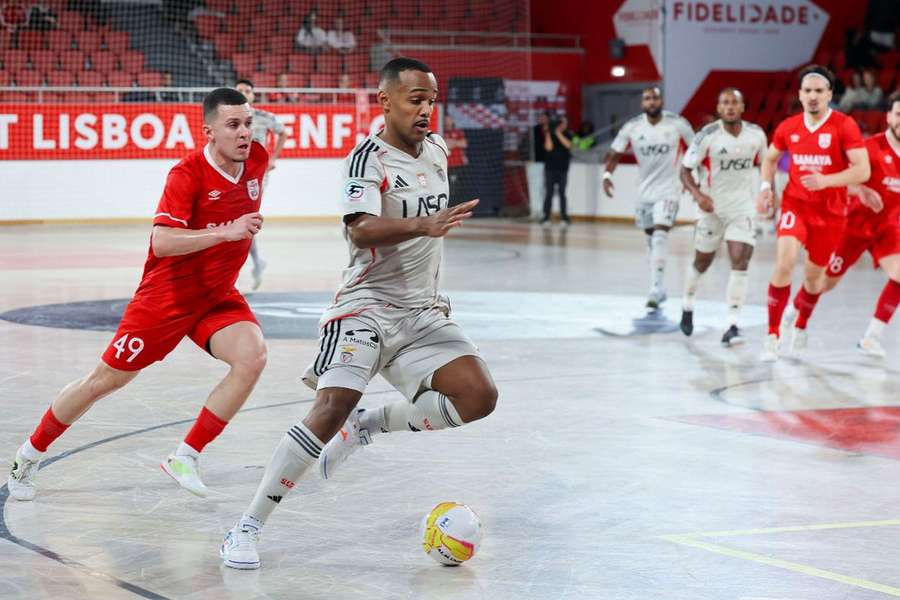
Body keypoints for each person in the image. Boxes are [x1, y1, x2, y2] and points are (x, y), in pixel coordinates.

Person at [220, 57, 497, 570]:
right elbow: (360, 228)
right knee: (332, 406)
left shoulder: (435, 150)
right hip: (365, 307)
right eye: (416, 99)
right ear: (385, 101)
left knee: (479, 396)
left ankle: (370, 425)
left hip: (422, 311)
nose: (426, 110)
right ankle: (247, 526)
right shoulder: (368, 158)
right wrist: (424, 225)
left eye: (432, 99)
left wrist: (429, 247)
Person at [7, 88, 269, 501]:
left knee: (252, 357)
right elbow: (162, 241)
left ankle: (186, 455)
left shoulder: (257, 159)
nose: (244, 134)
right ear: (208, 132)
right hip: (168, 298)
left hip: (216, 295)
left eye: (248, 123)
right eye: (233, 125)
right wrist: (226, 232)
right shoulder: (186, 175)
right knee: (105, 381)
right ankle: (29, 455)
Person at [757, 65, 871, 361]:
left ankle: (801, 323)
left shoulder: (844, 125)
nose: (812, 96)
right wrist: (765, 188)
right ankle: (771, 335)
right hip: (796, 205)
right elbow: (769, 160)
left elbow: (862, 169)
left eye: (819, 91)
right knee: (785, 262)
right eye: (807, 91)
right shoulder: (788, 127)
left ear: (830, 94)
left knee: (814, 280)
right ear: (799, 94)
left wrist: (826, 181)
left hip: (831, 214)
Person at [786, 92, 900, 357]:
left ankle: (871, 337)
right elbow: (834, 178)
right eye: (898, 115)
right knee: (825, 284)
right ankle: (794, 311)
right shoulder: (870, 147)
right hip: (853, 228)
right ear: (889, 117)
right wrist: (859, 190)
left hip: (887, 229)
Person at [679, 88, 768, 345]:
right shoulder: (706, 135)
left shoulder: (756, 135)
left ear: (742, 108)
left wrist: (767, 191)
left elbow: (766, 165)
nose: (730, 107)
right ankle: (687, 304)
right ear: (719, 109)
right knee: (702, 262)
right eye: (725, 103)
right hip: (712, 209)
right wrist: (698, 196)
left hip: (742, 208)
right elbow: (685, 170)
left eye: (734, 103)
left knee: (740, 260)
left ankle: (732, 325)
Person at [603, 87, 695, 309]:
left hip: (669, 190)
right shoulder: (632, 127)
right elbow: (615, 152)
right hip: (644, 192)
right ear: (642, 103)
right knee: (650, 239)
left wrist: (692, 177)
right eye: (647, 99)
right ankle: (659, 286)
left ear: (661, 100)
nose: (651, 102)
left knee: (660, 234)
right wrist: (607, 175)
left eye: (655, 98)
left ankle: (655, 288)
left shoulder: (677, 123)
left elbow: (695, 148)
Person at [236, 78, 288, 290]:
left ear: (253, 95)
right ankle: (256, 262)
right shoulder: (227, 119)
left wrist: (273, 158)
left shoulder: (264, 117)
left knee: (244, 218)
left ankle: (254, 263)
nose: (243, 93)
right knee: (234, 219)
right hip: (234, 174)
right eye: (239, 90)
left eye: (247, 90)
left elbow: (283, 132)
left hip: (256, 177)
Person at [540, 115, 573, 228]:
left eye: (564, 123)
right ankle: (546, 217)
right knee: (548, 193)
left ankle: (564, 217)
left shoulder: (568, 134)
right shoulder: (550, 134)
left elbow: (568, 145)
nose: (563, 125)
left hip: (563, 169)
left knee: (562, 193)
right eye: (561, 123)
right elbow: (548, 148)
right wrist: (549, 132)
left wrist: (558, 133)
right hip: (550, 168)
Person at [443, 113, 469, 203]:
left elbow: (464, 143)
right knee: (448, 188)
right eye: (446, 120)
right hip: (445, 165)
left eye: (449, 120)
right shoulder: (440, 131)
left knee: (456, 188)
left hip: (458, 164)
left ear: (452, 121)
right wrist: (455, 143)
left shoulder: (458, 132)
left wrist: (451, 143)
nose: (447, 123)